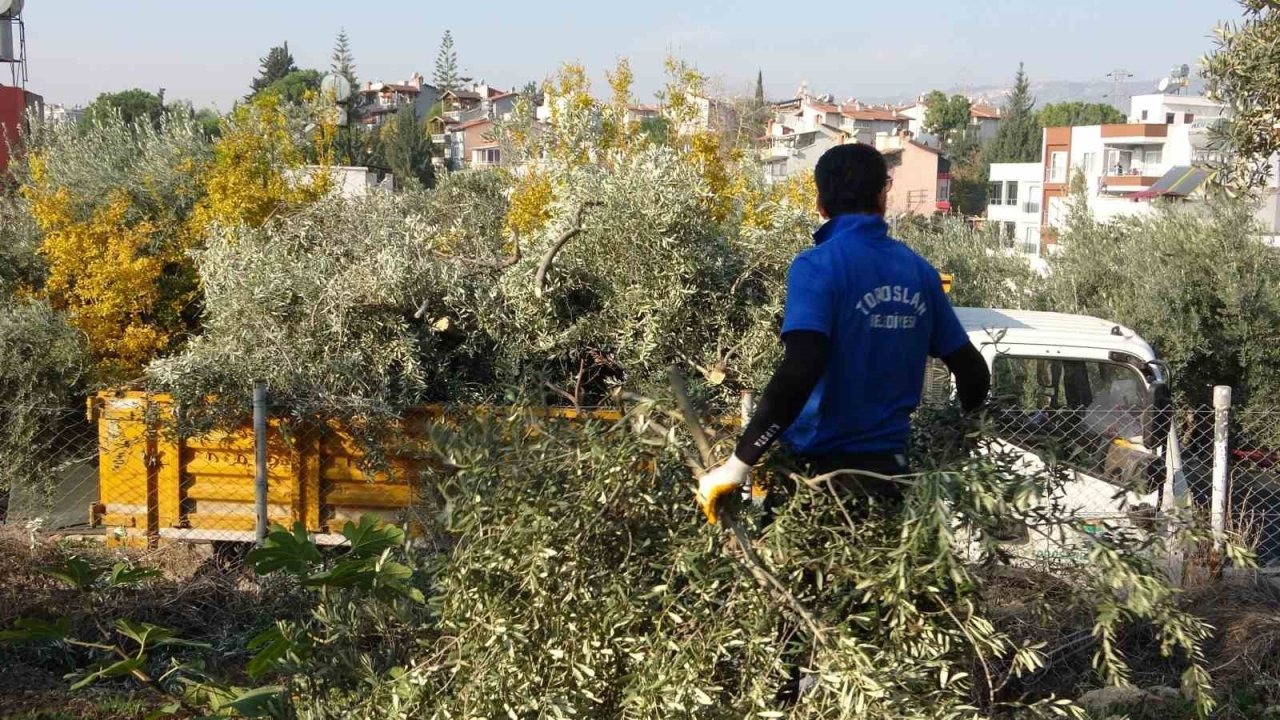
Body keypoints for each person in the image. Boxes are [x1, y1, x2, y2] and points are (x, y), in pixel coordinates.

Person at [696, 143, 991, 522]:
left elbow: (802, 369)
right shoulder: (918, 272)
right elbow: (973, 373)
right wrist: (953, 448)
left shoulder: (817, 266)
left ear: (820, 202)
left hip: (822, 480)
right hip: (893, 476)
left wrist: (738, 464)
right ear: (882, 197)